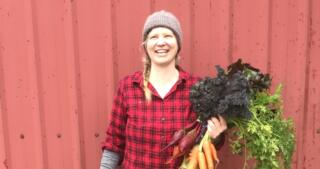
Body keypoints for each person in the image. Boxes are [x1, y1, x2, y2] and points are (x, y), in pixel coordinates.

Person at [100, 10, 227, 169]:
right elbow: (114, 142)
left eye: (168, 36)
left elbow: (205, 141)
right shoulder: (128, 87)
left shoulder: (198, 88)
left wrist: (216, 136)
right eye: (154, 37)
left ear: (178, 43)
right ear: (145, 46)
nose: (161, 42)